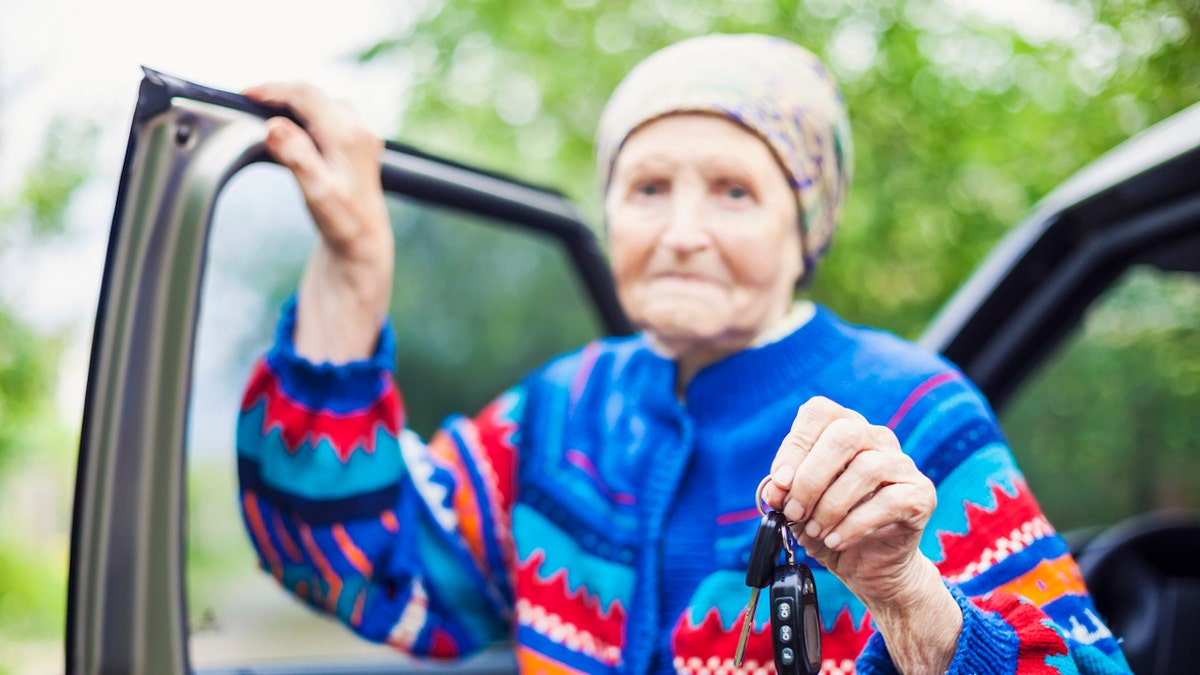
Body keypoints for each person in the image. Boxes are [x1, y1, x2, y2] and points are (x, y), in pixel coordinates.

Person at [236, 34, 1131, 674]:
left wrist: (907, 596)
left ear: (803, 230)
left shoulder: (912, 408)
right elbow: (350, 554)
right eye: (649, 187)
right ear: (610, 212)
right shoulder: (563, 410)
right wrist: (354, 271)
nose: (683, 232)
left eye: (736, 192)